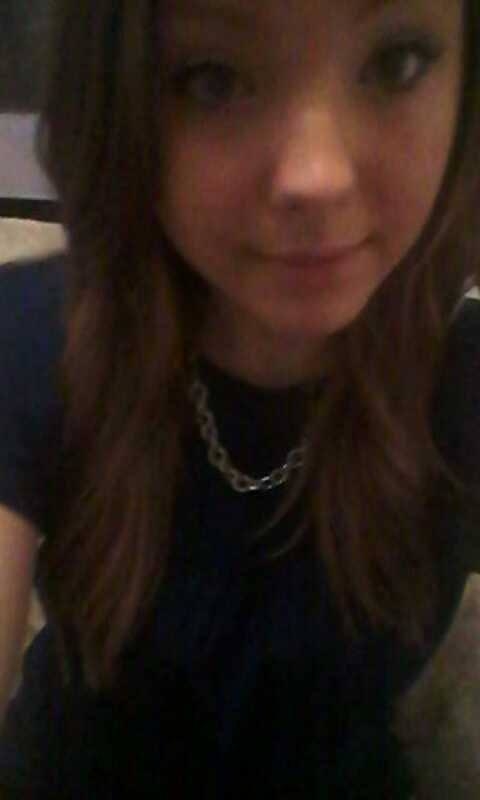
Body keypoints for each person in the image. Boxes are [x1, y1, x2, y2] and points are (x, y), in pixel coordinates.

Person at [0, 0, 479, 796]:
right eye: (213, 79)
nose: (316, 177)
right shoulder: (36, 336)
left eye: (395, 62)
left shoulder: (462, 380)